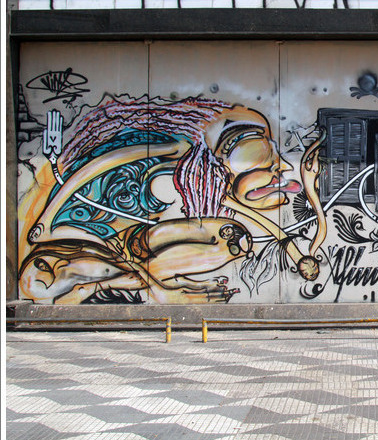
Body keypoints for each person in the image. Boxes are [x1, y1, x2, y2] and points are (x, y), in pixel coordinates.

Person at [18, 95, 324, 304]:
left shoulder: (204, 179)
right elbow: (101, 163)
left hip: (130, 244)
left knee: (235, 238)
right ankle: (136, 280)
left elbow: (251, 215)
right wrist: (45, 220)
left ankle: (136, 278)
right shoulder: (179, 149)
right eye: (262, 154)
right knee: (232, 238)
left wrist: (298, 256)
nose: (281, 167)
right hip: (116, 246)